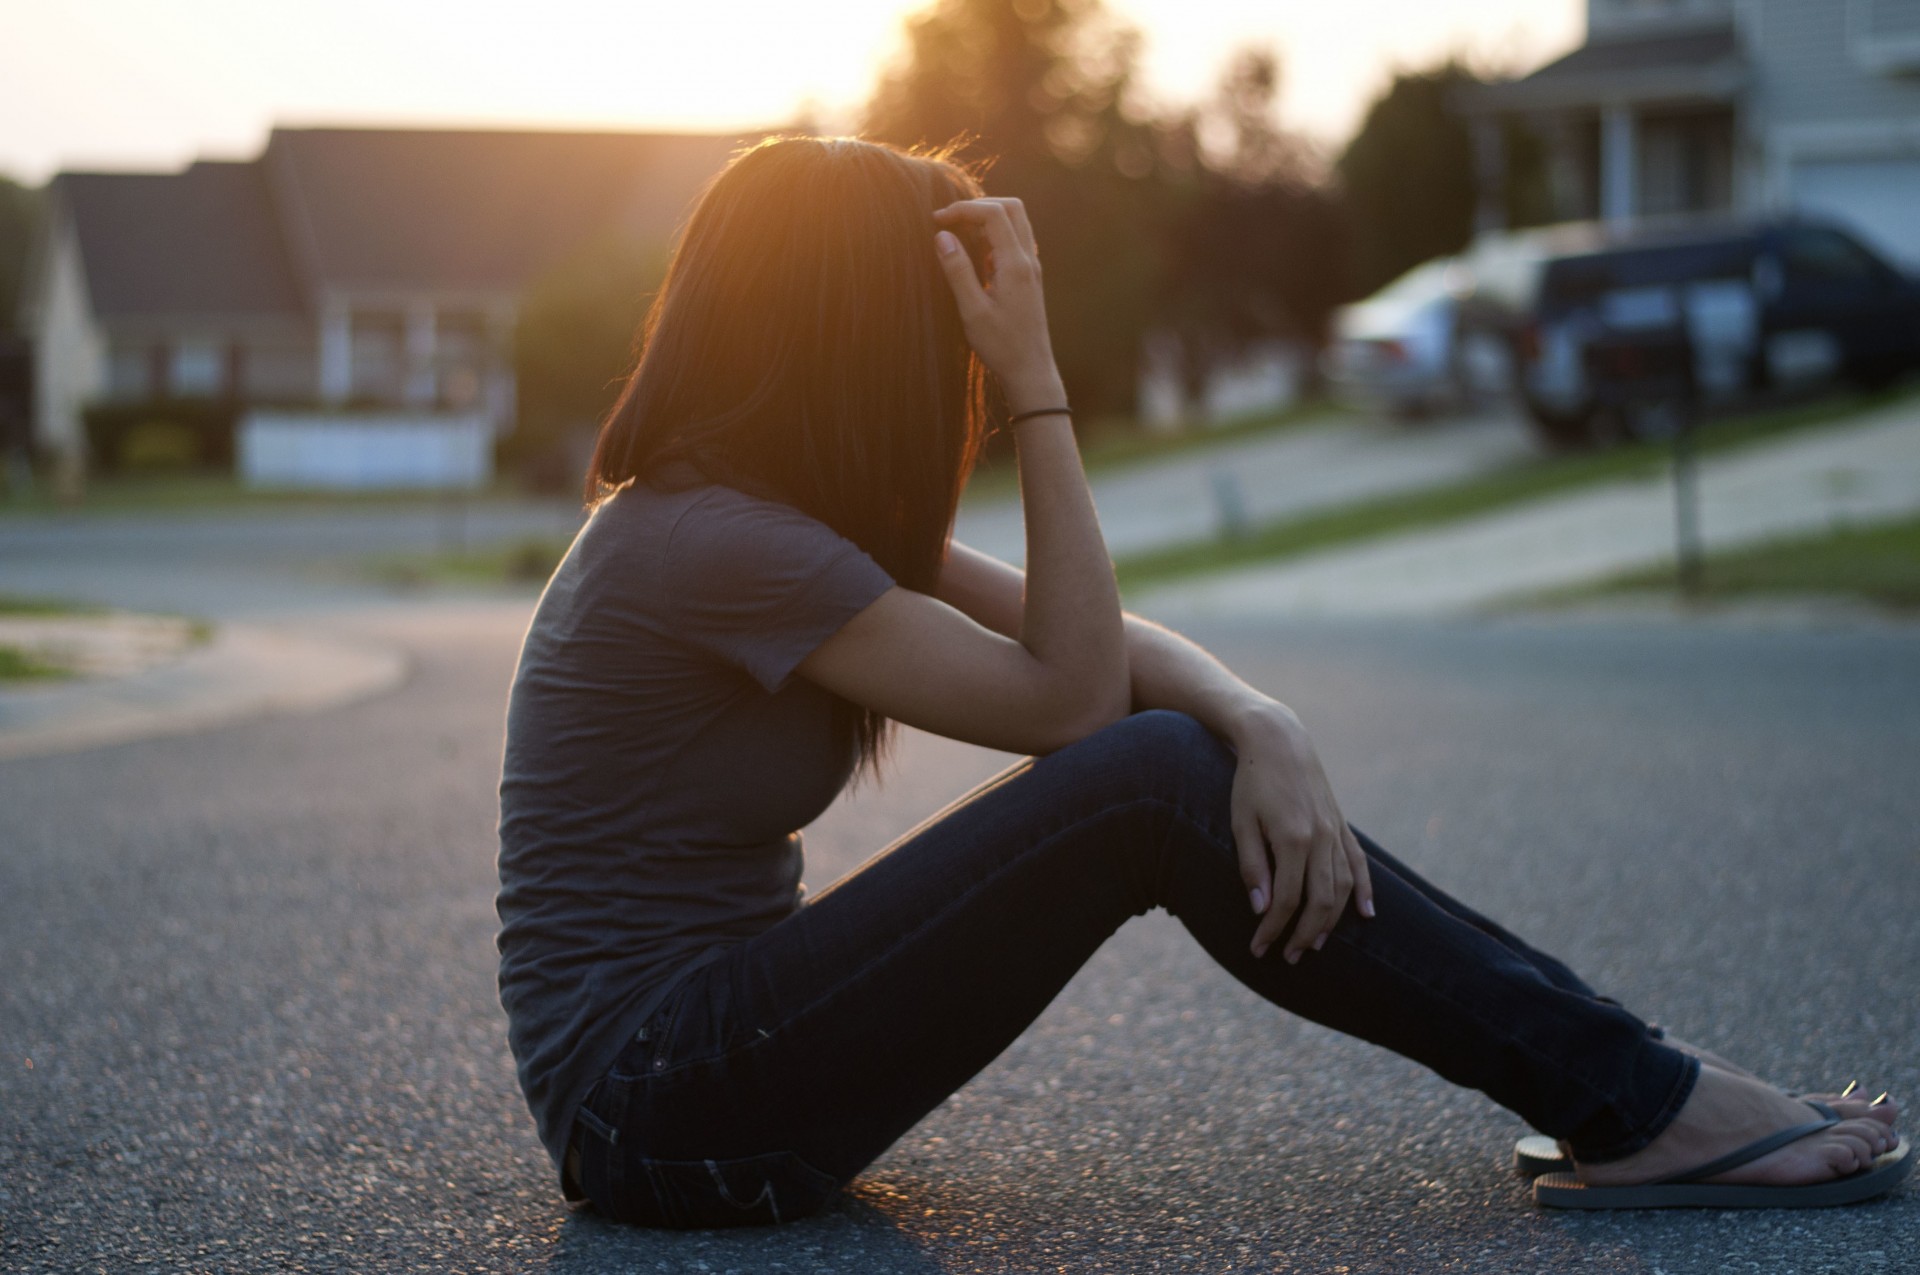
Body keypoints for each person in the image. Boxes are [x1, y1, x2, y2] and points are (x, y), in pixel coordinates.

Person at [494, 136, 1906, 1229]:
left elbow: (1111, 664)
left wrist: (1261, 717)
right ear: (849, 333)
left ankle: (1636, 1088)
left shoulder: (766, 524)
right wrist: (1038, 375)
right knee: (1151, 785)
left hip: (694, 1090)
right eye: (934, 331)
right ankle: (1642, 1098)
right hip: (653, 1111)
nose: (953, 364)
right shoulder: (713, 543)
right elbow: (1071, 703)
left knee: (1175, 757)